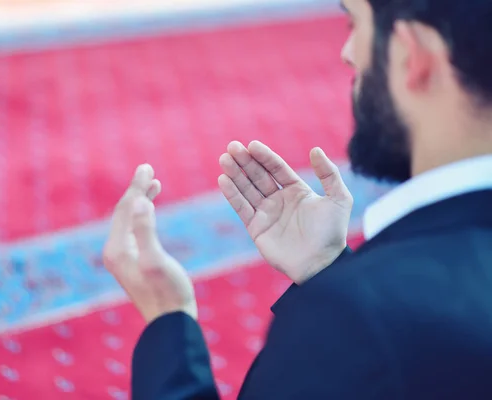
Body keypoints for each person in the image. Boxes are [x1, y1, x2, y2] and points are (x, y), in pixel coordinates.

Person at [102, 0, 492, 398]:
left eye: (354, 24)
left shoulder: (354, 320)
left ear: (412, 54)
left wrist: (168, 320)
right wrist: (326, 267)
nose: (347, 53)